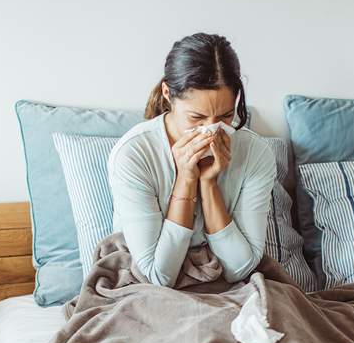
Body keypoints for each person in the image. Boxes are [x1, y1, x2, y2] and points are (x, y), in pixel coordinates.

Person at [107, 32, 275, 287]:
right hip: (145, 288)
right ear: (167, 93)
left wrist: (208, 185)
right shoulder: (134, 155)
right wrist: (186, 178)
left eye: (226, 116)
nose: (212, 129)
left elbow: (240, 268)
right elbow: (158, 276)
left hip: (227, 286)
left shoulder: (255, 153)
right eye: (197, 118)